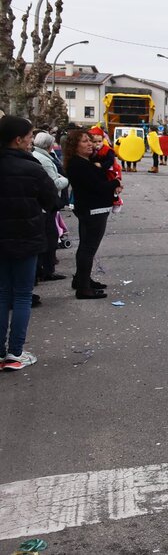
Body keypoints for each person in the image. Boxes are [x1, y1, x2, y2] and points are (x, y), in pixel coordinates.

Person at [0, 116, 59, 371]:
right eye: (29, 136)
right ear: (18, 139)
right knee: (22, 295)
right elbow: (52, 201)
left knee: (2, 294)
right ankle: (15, 353)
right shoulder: (32, 167)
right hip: (26, 237)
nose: (31, 140)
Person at [65, 129, 121, 299]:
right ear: (74, 146)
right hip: (93, 210)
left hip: (91, 208)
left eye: (90, 140)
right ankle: (83, 288)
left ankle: (82, 280)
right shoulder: (79, 165)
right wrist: (115, 183)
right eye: (84, 141)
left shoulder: (83, 162)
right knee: (88, 248)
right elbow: (97, 187)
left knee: (85, 246)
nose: (90, 144)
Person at [32, 131, 69, 282]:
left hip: (43, 203)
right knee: (50, 236)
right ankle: (46, 270)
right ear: (49, 145)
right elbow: (54, 183)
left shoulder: (38, 155)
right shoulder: (45, 160)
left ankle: (43, 269)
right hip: (47, 203)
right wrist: (65, 179)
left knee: (49, 235)